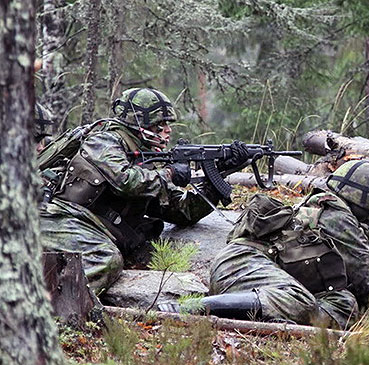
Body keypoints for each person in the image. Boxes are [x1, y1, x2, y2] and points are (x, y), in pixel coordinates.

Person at [160, 160, 369, 329]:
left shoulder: (326, 207)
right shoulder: (340, 219)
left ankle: (245, 312)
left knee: (343, 305)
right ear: (367, 200)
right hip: (243, 264)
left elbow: (342, 279)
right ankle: (190, 309)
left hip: (252, 269)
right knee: (299, 301)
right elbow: (368, 289)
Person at [40, 88, 249, 292]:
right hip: (65, 218)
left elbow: (183, 210)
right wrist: (169, 174)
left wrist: (219, 173)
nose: (168, 130)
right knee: (105, 260)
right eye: (160, 125)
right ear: (138, 122)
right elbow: (124, 180)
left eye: (168, 125)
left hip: (94, 229)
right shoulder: (104, 140)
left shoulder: (148, 158)